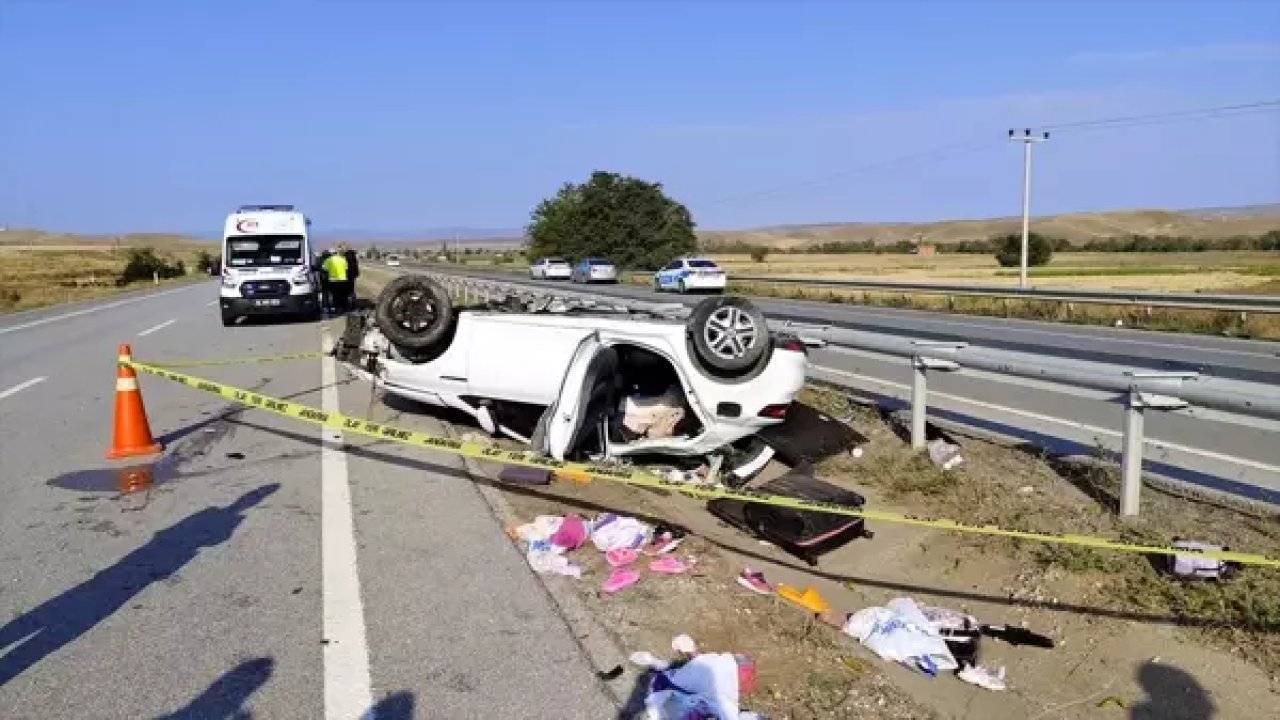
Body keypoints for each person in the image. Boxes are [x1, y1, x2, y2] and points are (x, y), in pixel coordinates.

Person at [321, 248, 350, 314]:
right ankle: (344, 308)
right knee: (343, 294)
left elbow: (324, 269)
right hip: (343, 280)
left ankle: (336, 308)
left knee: (335, 295)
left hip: (333, 280)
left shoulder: (328, 260)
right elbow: (346, 269)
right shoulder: (343, 259)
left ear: (331, 253)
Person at [342, 244, 360, 310]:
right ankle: (353, 304)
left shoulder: (344, 259)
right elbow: (356, 270)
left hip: (345, 277)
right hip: (352, 277)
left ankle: (347, 304)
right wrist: (356, 275)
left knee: (346, 291)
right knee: (351, 291)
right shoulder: (354, 260)